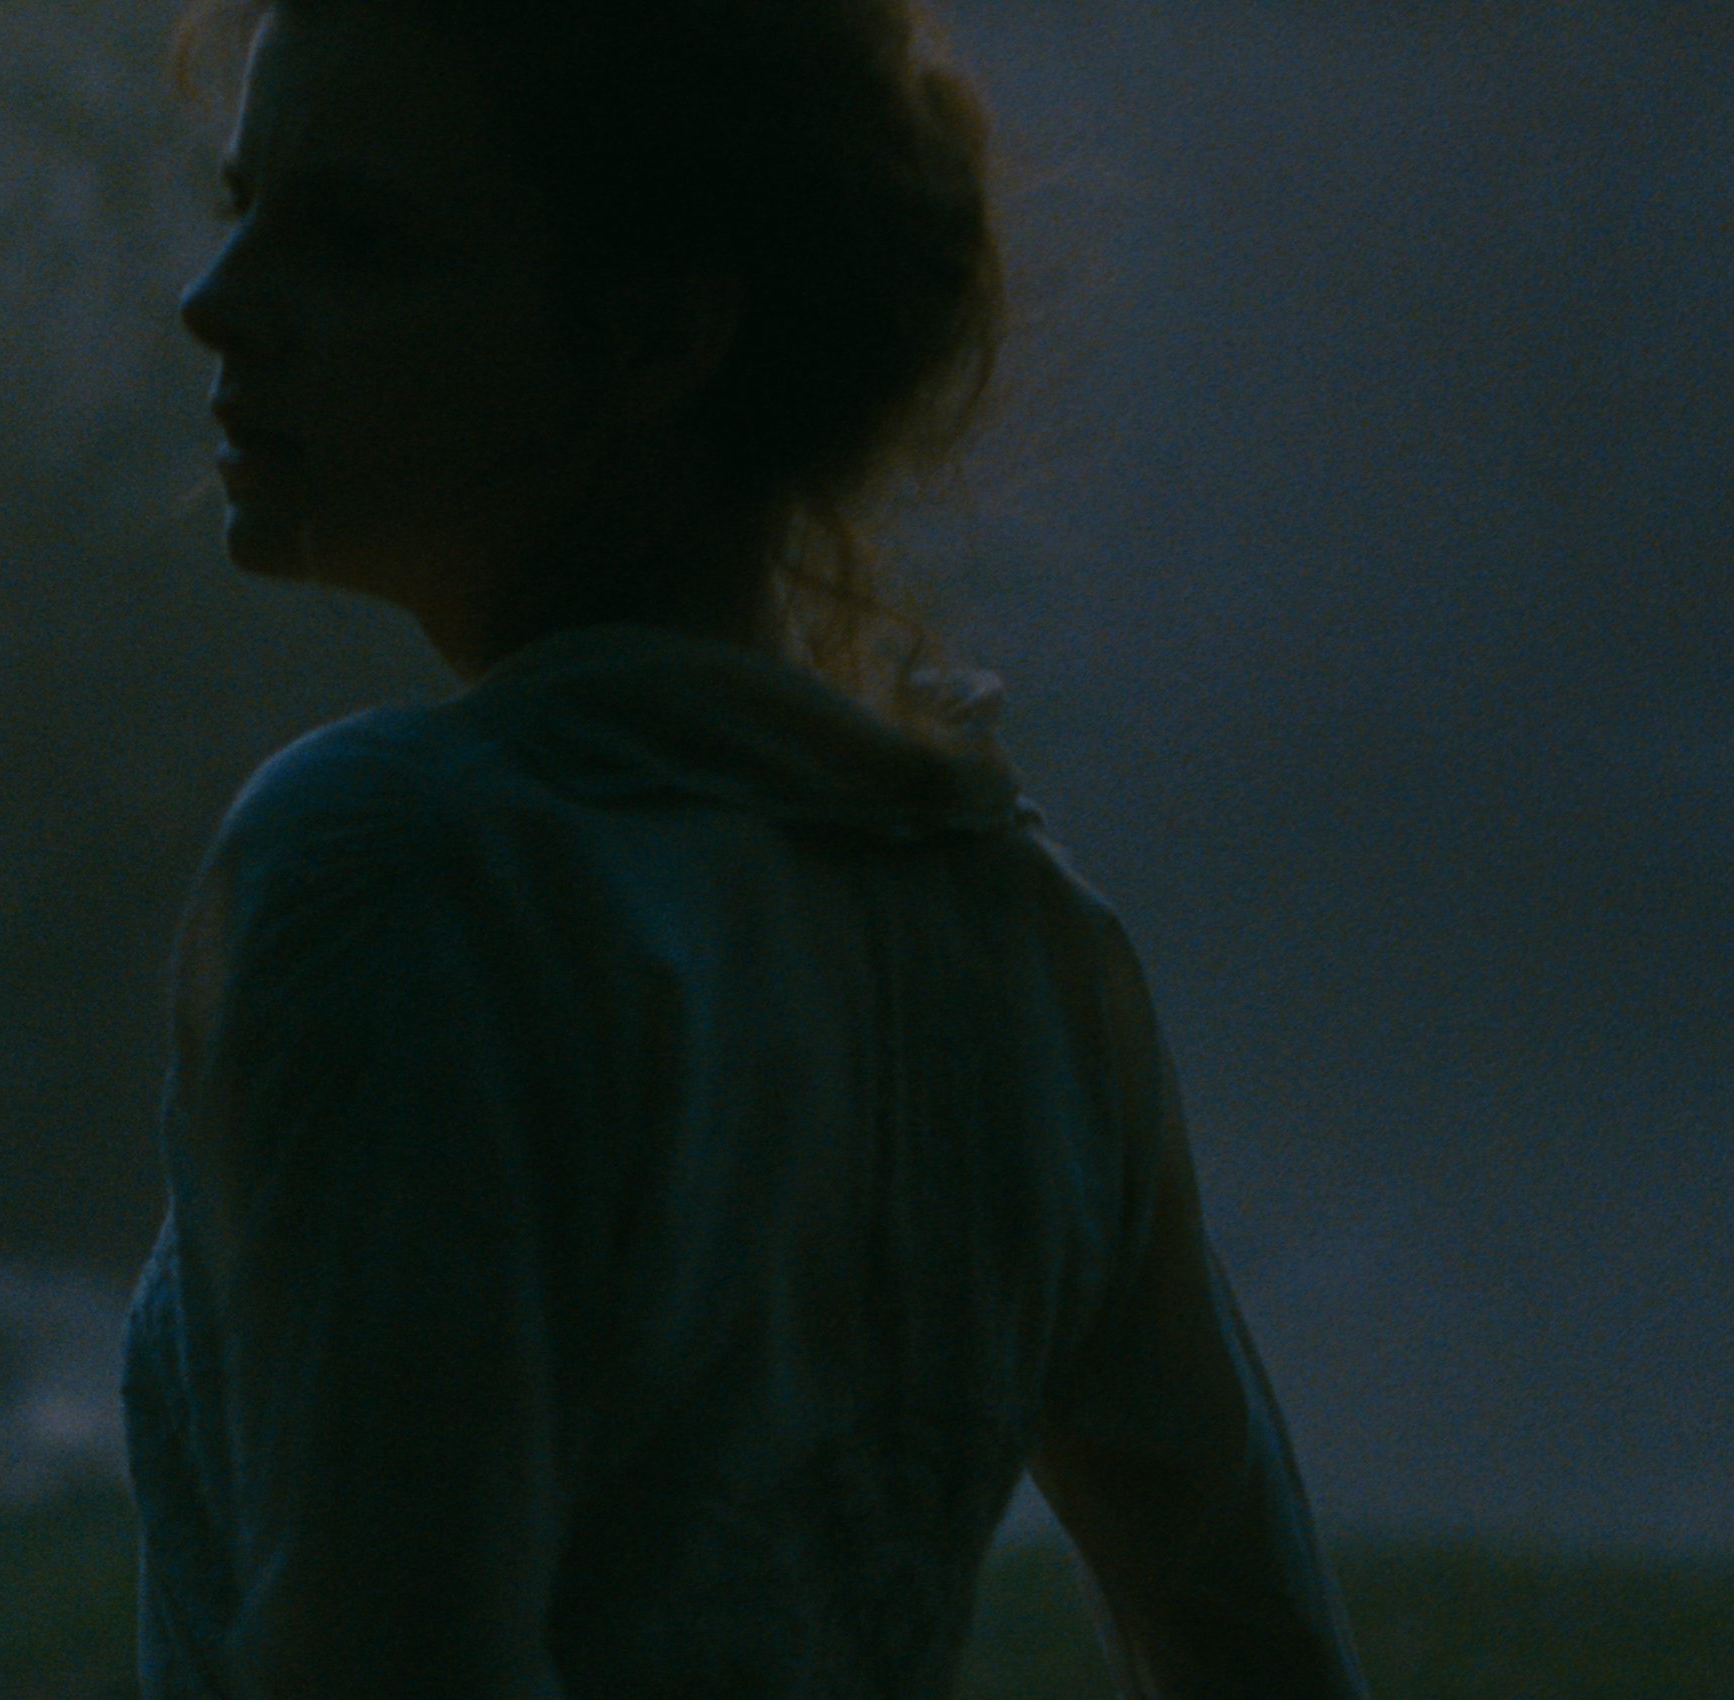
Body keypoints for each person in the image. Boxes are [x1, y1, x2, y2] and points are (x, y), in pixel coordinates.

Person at [120, 1, 1373, 1695]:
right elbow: (1259, 1644)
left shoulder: (405, 867)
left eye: (354, 236)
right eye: (243, 203)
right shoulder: (1023, 945)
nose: (215, 299)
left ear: (656, 337)